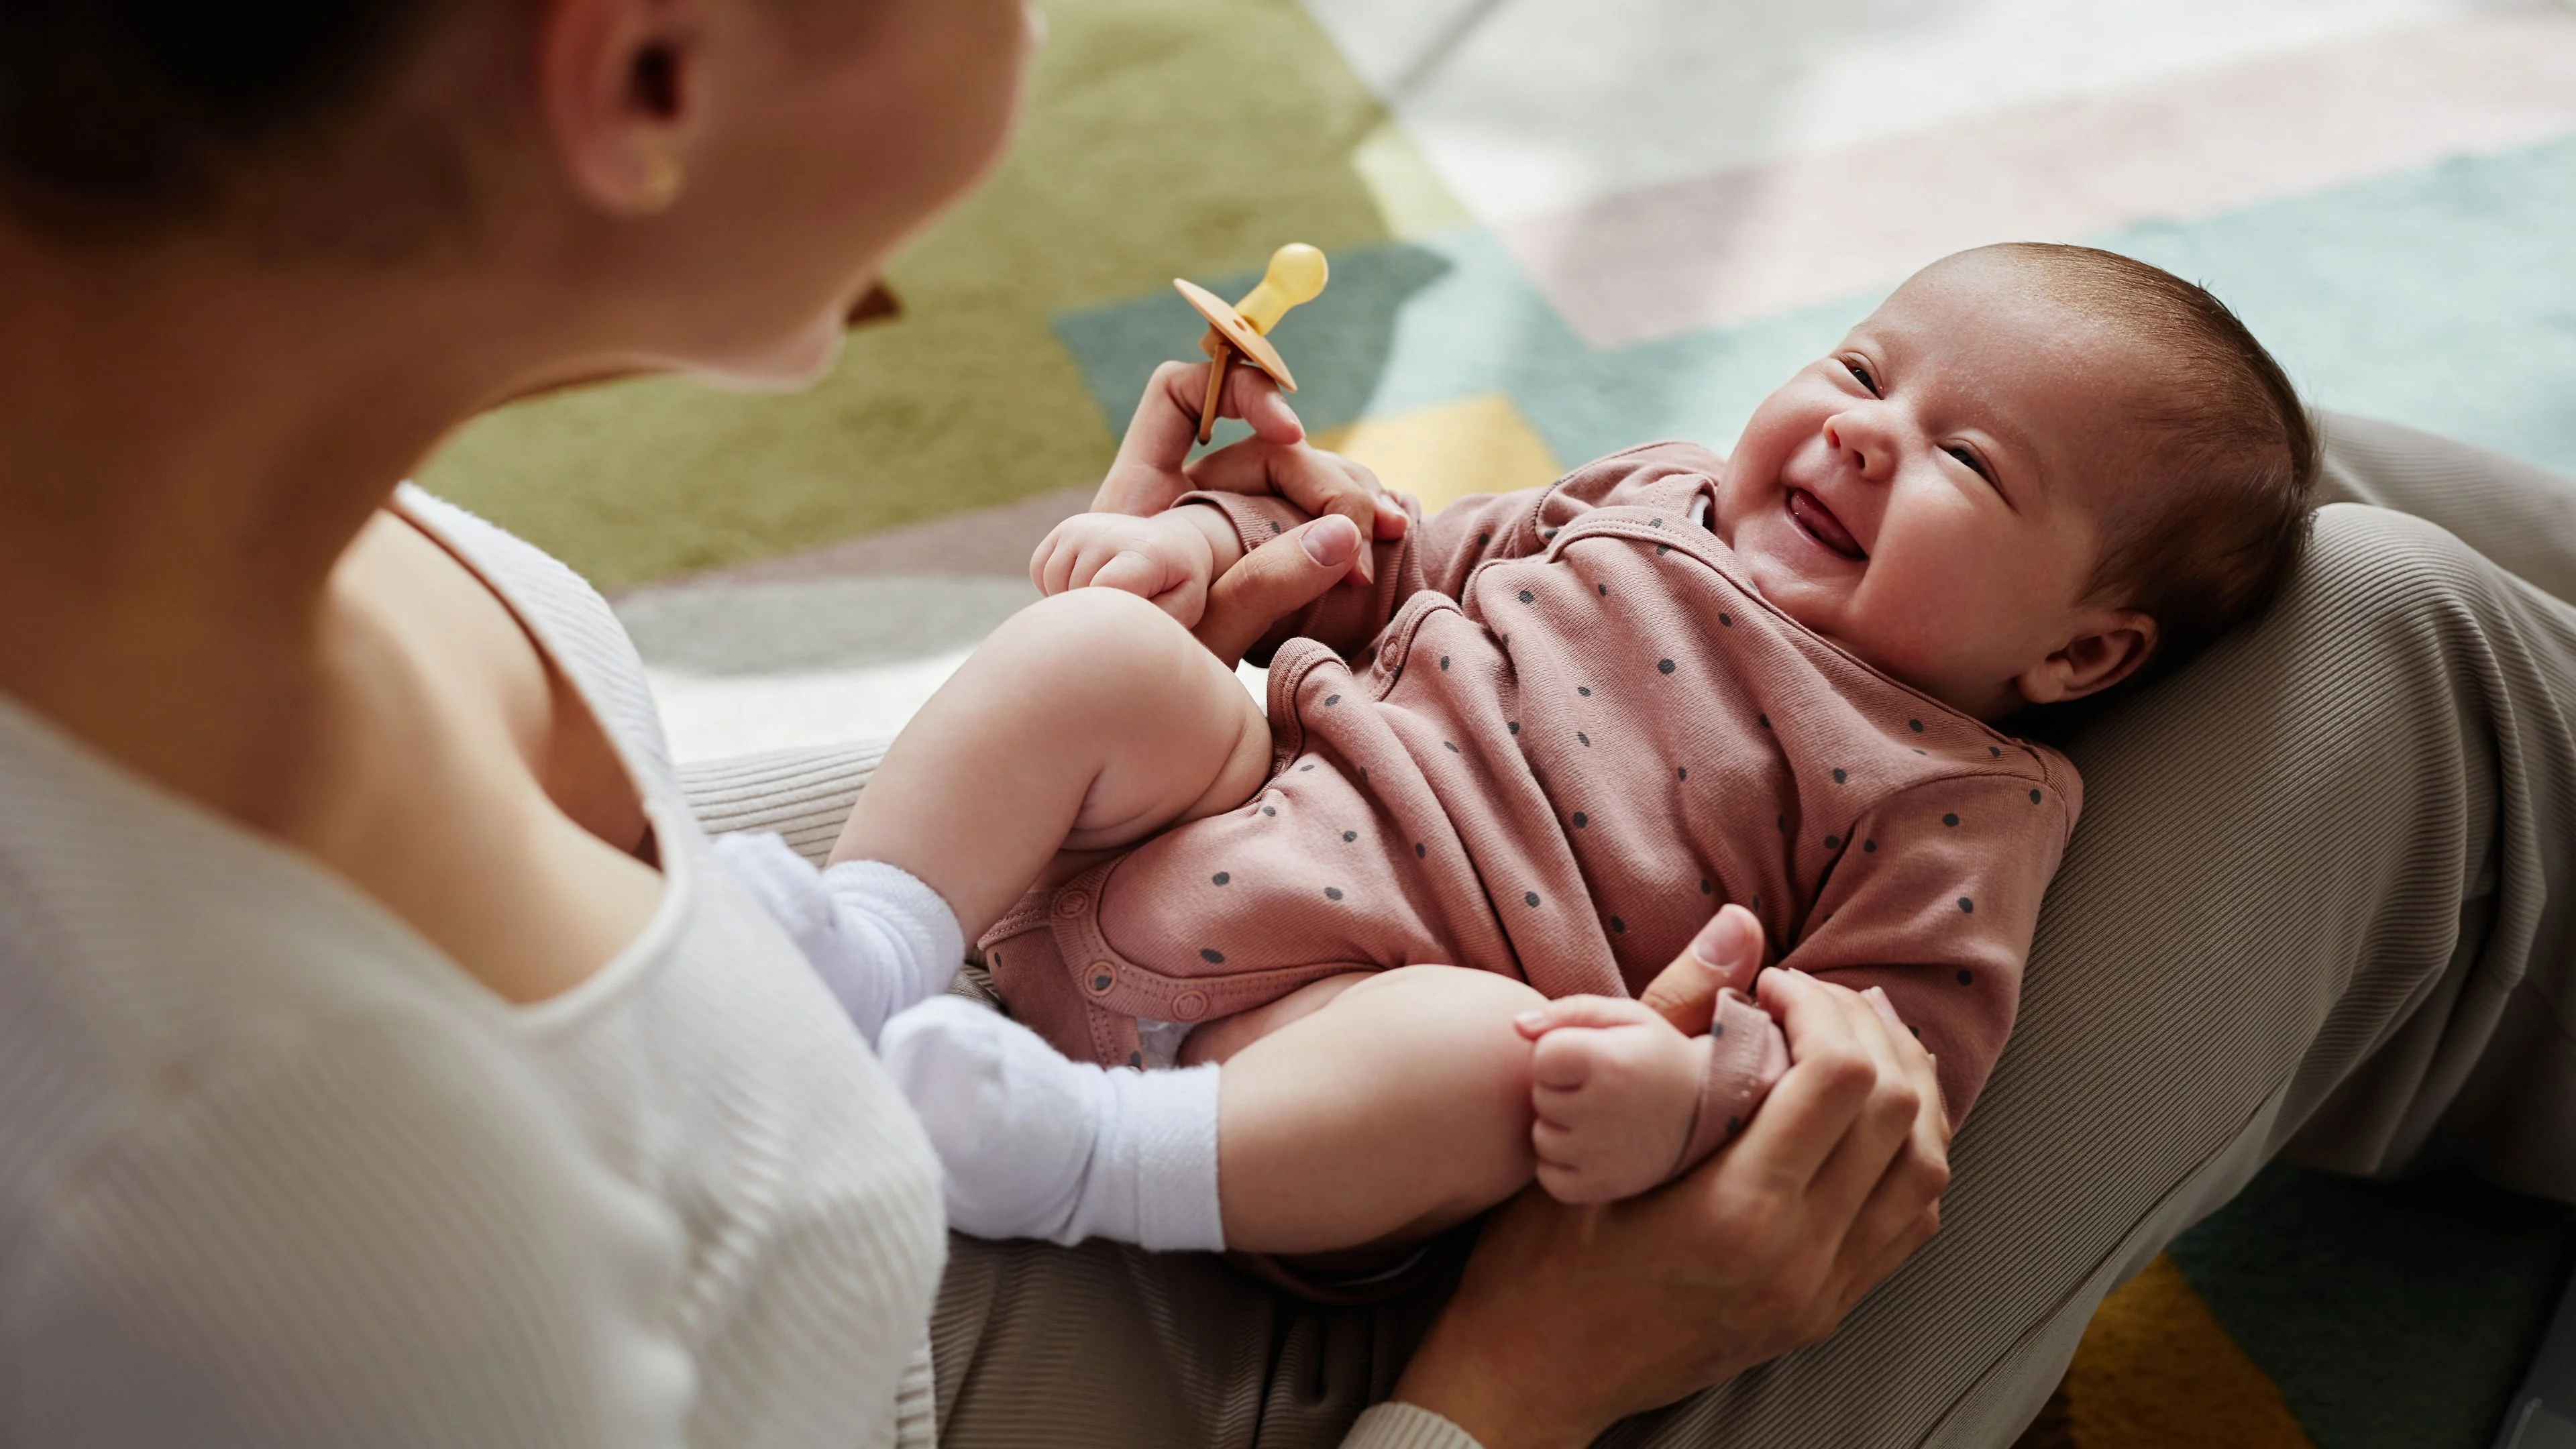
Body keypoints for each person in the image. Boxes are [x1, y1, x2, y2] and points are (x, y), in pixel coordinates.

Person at [0, 2, 1948, 1446]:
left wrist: (1164, 654)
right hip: (1025, 1303)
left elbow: (633, 900)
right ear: (652, 69)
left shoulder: (165, 497)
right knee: (2263, 660)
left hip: (885, 1033)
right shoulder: (269, 1209)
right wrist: (1524, 1382)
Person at [763, 243, 2315, 1258]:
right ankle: (872, 942)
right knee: (1099, 657)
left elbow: (1884, 1054)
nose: (1859, 433)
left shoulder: (1965, 796)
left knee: (1480, 1060)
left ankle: (1083, 1160)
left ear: (2080, 653)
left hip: (1325, 1044)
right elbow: (1376, 561)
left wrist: (1683, 1093)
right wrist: (1201, 539)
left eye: (1967, 461)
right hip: (1241, 800)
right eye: (1859, 371)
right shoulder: (1653, 489)